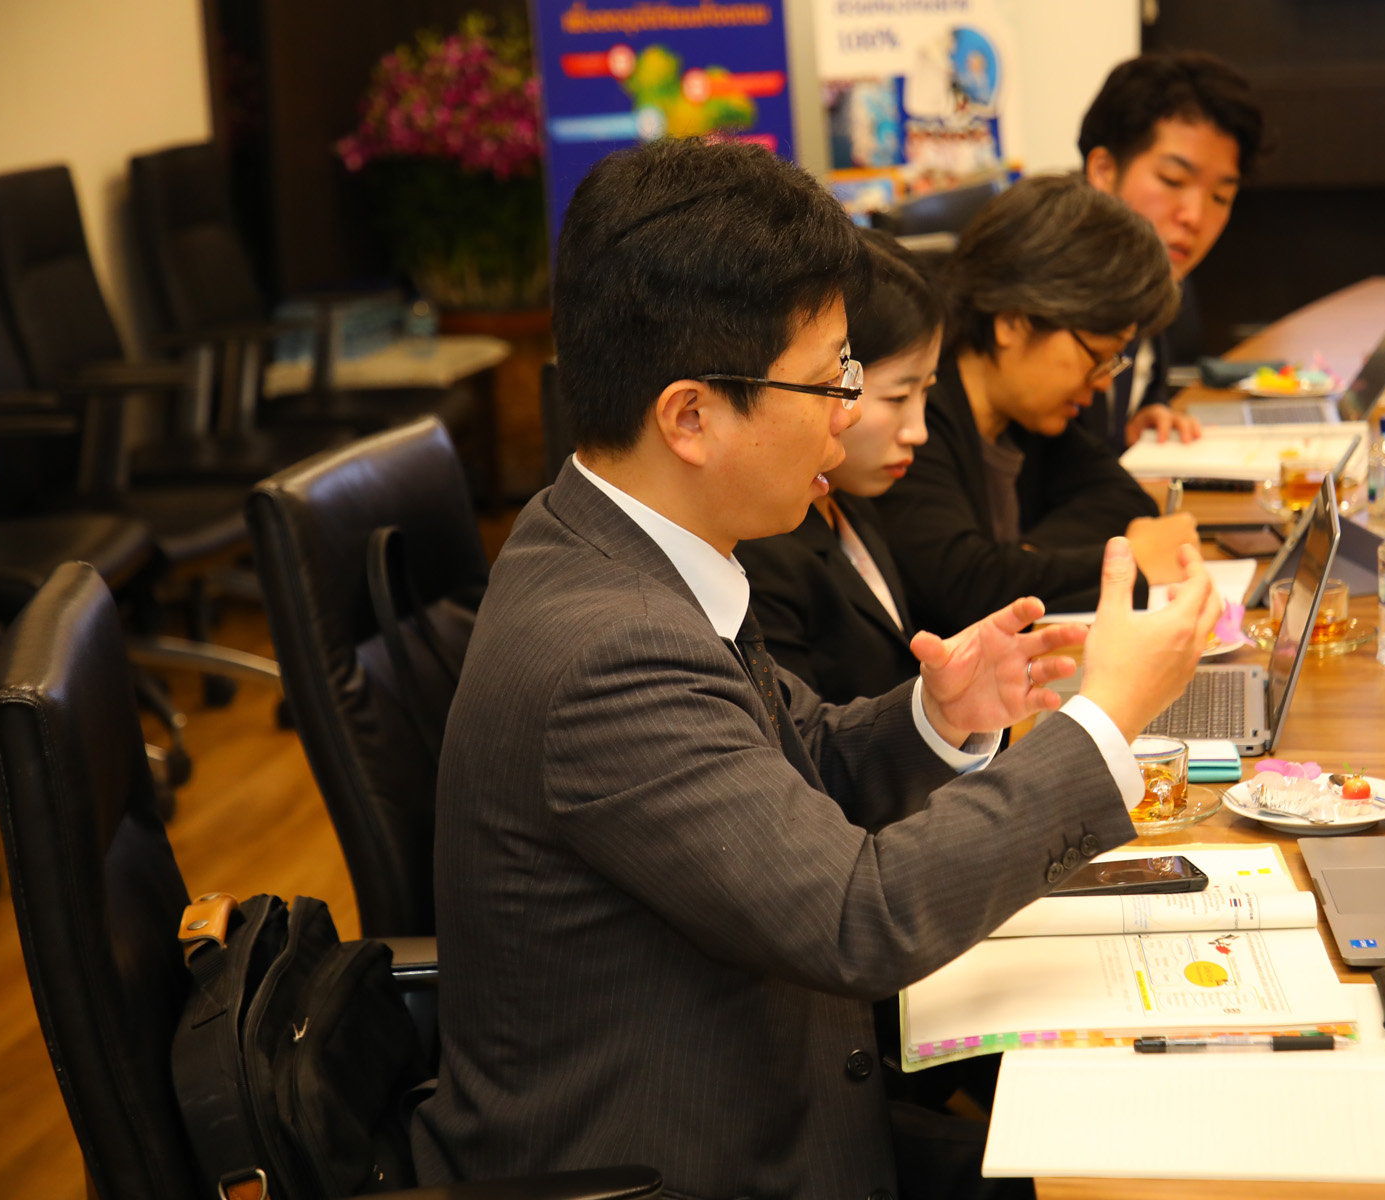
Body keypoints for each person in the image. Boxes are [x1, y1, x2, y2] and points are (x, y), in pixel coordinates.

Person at [412, 137, 1224, 1200]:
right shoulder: (609, 648)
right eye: (831, 376)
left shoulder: (618, 537)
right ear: (690, 416)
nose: (849, 409)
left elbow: (791, 763)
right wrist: (1106, 718)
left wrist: (938, 716)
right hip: (687, 1164)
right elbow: (859, 917)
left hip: (779, 1097)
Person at [874, 173, 1198, 638]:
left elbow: (1121, 499)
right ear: (1012, 322)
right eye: (1097, 356)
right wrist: (1127, 562)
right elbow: (960, 588)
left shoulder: (1026, 420)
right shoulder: (914, 418)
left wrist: (1019, 561)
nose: (1103, 383)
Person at [735, 230, 938, 703]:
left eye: (927, 391)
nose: (919, 431)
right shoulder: (765, 551)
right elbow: (802, 738)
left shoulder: (854, 505)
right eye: (897, 397)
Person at [1076, 51, 1267, 451]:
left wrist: (1141, 414)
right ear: (1104, 171)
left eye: (1221, 196)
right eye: (1173, 179)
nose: (1194, 217)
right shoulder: (1053, 303)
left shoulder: (1153, 285)